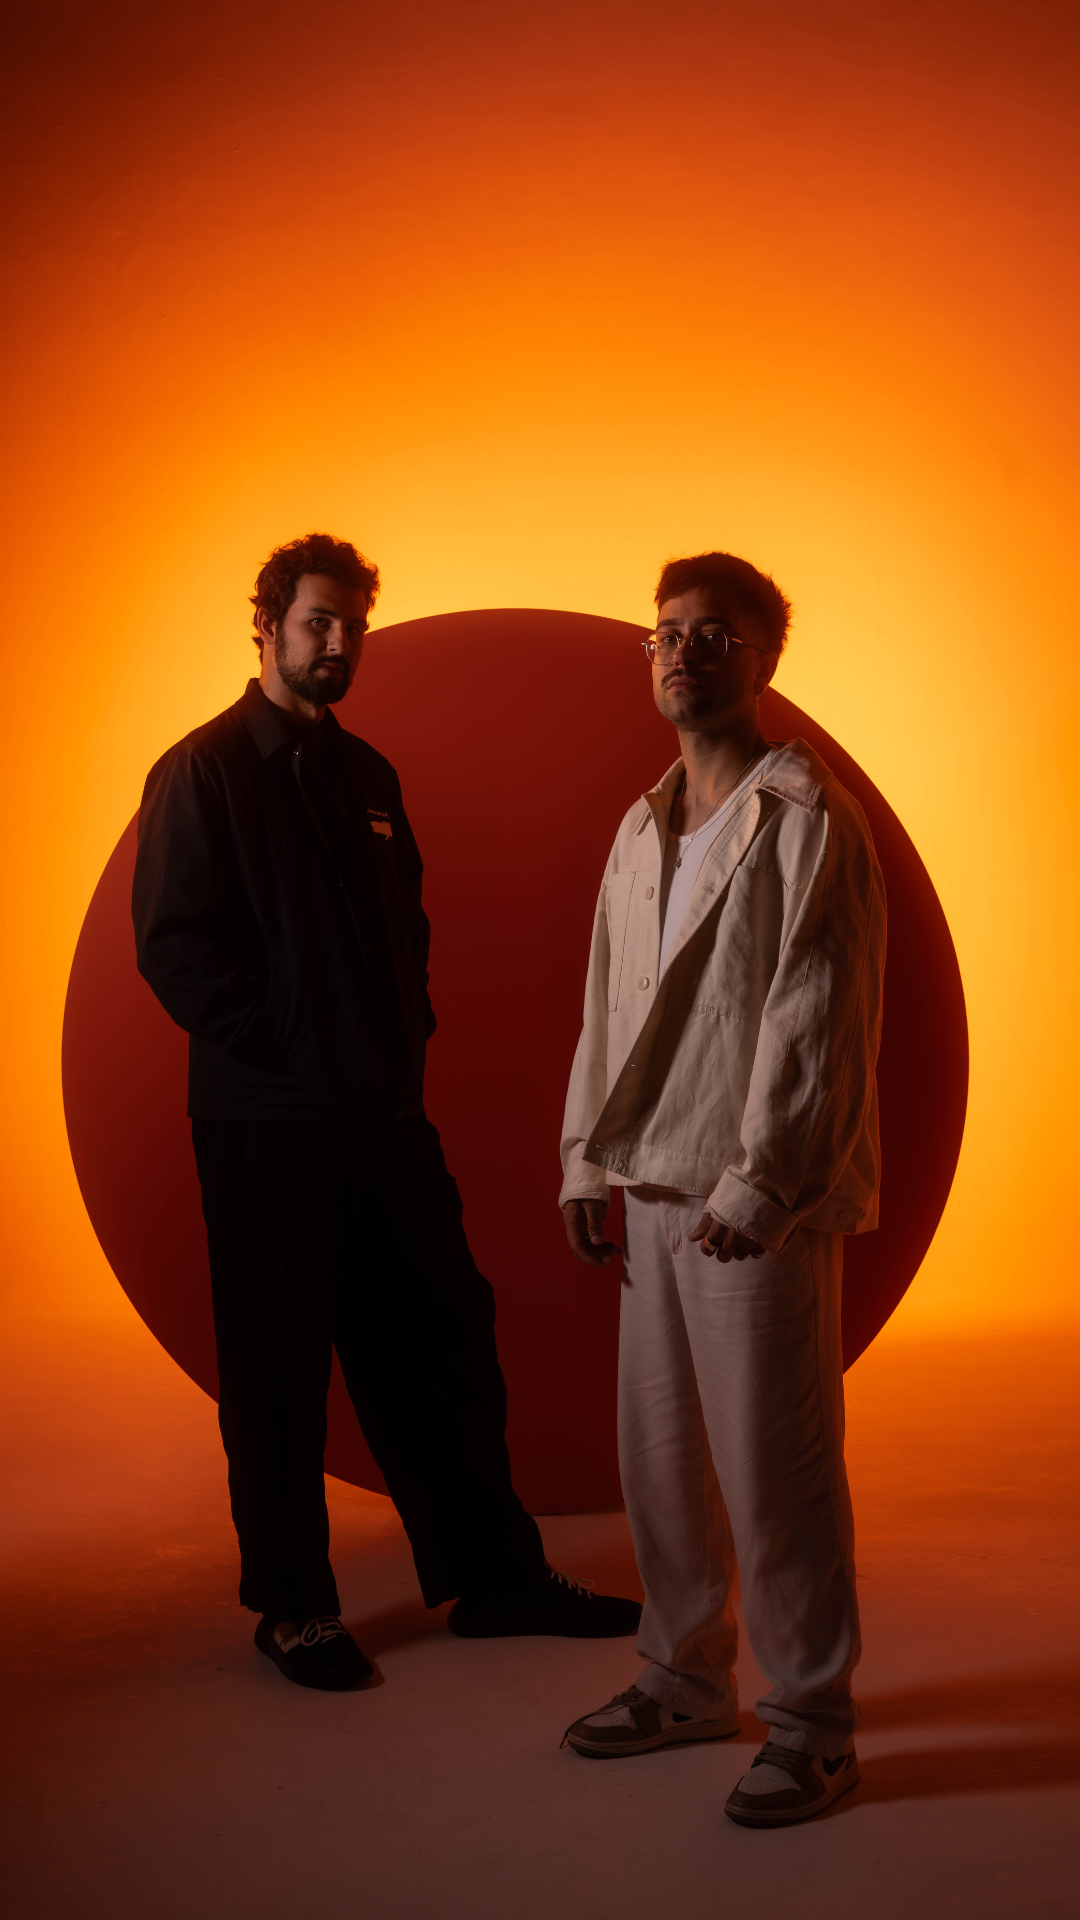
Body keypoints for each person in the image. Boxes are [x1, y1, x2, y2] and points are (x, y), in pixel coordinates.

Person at [132, 531, 640, 1692]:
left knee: (445, 1336)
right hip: (265, 1125)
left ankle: (494, 1579)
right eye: (318, 622)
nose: (339, 643)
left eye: (352, 624)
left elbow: (405, 931)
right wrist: (304, 1050)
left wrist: (400, 1040)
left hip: (381, 1116)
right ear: (264, 628)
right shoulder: (204, 773)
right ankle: (294, 1610)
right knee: (277, 1368)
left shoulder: (370, 780)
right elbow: (175, 951)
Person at [558, 551, 885, 1826]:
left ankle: (814, 1722)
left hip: (755, 1204)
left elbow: (817, 1014)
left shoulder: (803, 813)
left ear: (764, 661)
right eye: (669, 633)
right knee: (662, 1460)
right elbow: (604, 1005)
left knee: (776, 1469)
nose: (684, 652)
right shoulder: (641, 829)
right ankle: (686, 1677)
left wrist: (763, 1185)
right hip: (647, 1182)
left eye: (716, 634)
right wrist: (587, 1155)